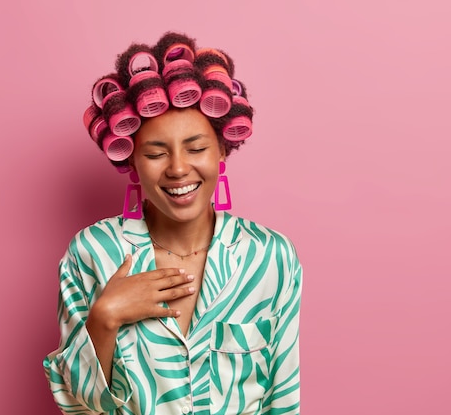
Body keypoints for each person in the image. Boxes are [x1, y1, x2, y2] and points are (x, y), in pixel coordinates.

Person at [43, 31, 302, 415]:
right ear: (131, 160)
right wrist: (105, 316)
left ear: (222, 152)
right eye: (156, 153)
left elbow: (283, 396)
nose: (179, 168)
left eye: (196, 148)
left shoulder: (269, 256)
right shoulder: (92, 252)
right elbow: (76, 405)